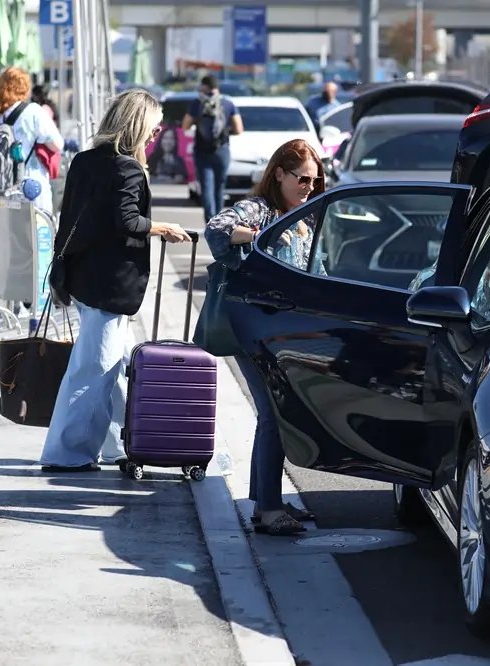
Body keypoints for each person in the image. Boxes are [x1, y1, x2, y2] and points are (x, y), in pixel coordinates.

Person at [39, 89, 191, 472]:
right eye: (153, 130)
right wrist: (163, 228)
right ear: (137, 126)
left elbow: (70, 216)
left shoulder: (86, 161)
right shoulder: (126, 168)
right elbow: (127, 221)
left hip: (83, 276)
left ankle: (120, 443)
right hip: (109, 283)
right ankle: (67, 452)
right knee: (94, 370)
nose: (156, 138)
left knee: (120, 364)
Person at [204, 138, 326, 535]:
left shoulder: (306, 214)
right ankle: (271, 510)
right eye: (302, 178)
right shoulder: (261, 209)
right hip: (252, 331)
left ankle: (266, 504)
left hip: (286, 334)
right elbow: (217, 228)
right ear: (279, 174)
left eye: (314, 179)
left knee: (278, 414)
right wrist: (258, 235)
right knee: (274, 413)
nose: (309, 186)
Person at [0, 67, 63, 214]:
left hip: (4, 187)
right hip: (32, 186)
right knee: (36, 233)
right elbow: (57, 144)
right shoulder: (34, 111)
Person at [182, 75, 243, 223]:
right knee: (220, 186)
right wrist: (226, 132)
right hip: (222, 150)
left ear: (204, 86)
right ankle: (219, 219)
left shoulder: (197, 103)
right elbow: (239, 129)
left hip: (202, 151)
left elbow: (185, 125)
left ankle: (210, 219)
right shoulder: (228, 104)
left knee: (206, 185)